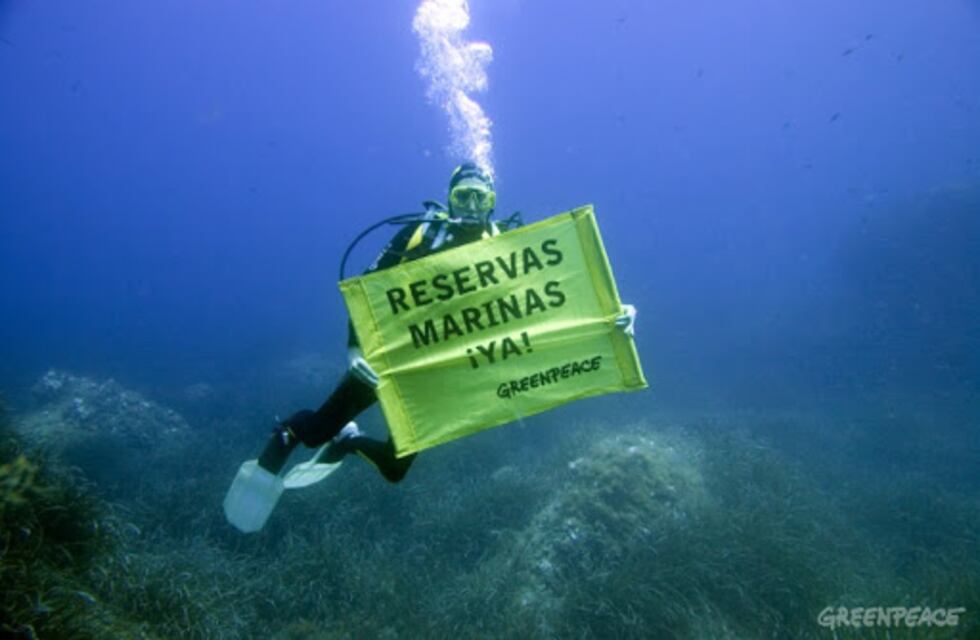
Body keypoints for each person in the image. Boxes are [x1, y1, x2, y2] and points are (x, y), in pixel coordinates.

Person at [254, 162, 637, 483]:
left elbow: (547, 300)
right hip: (388, 354)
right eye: (462, 196)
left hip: (443, 367)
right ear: (450, 196)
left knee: (394, 467)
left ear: (492, 202)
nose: (471, 206)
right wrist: (356, 351)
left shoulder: (509, 245)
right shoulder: (421, 234)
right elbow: (366, 295)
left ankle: (348, 442)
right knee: (316, 429)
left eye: (480, 198)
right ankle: (288, 434)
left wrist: (610, 316)